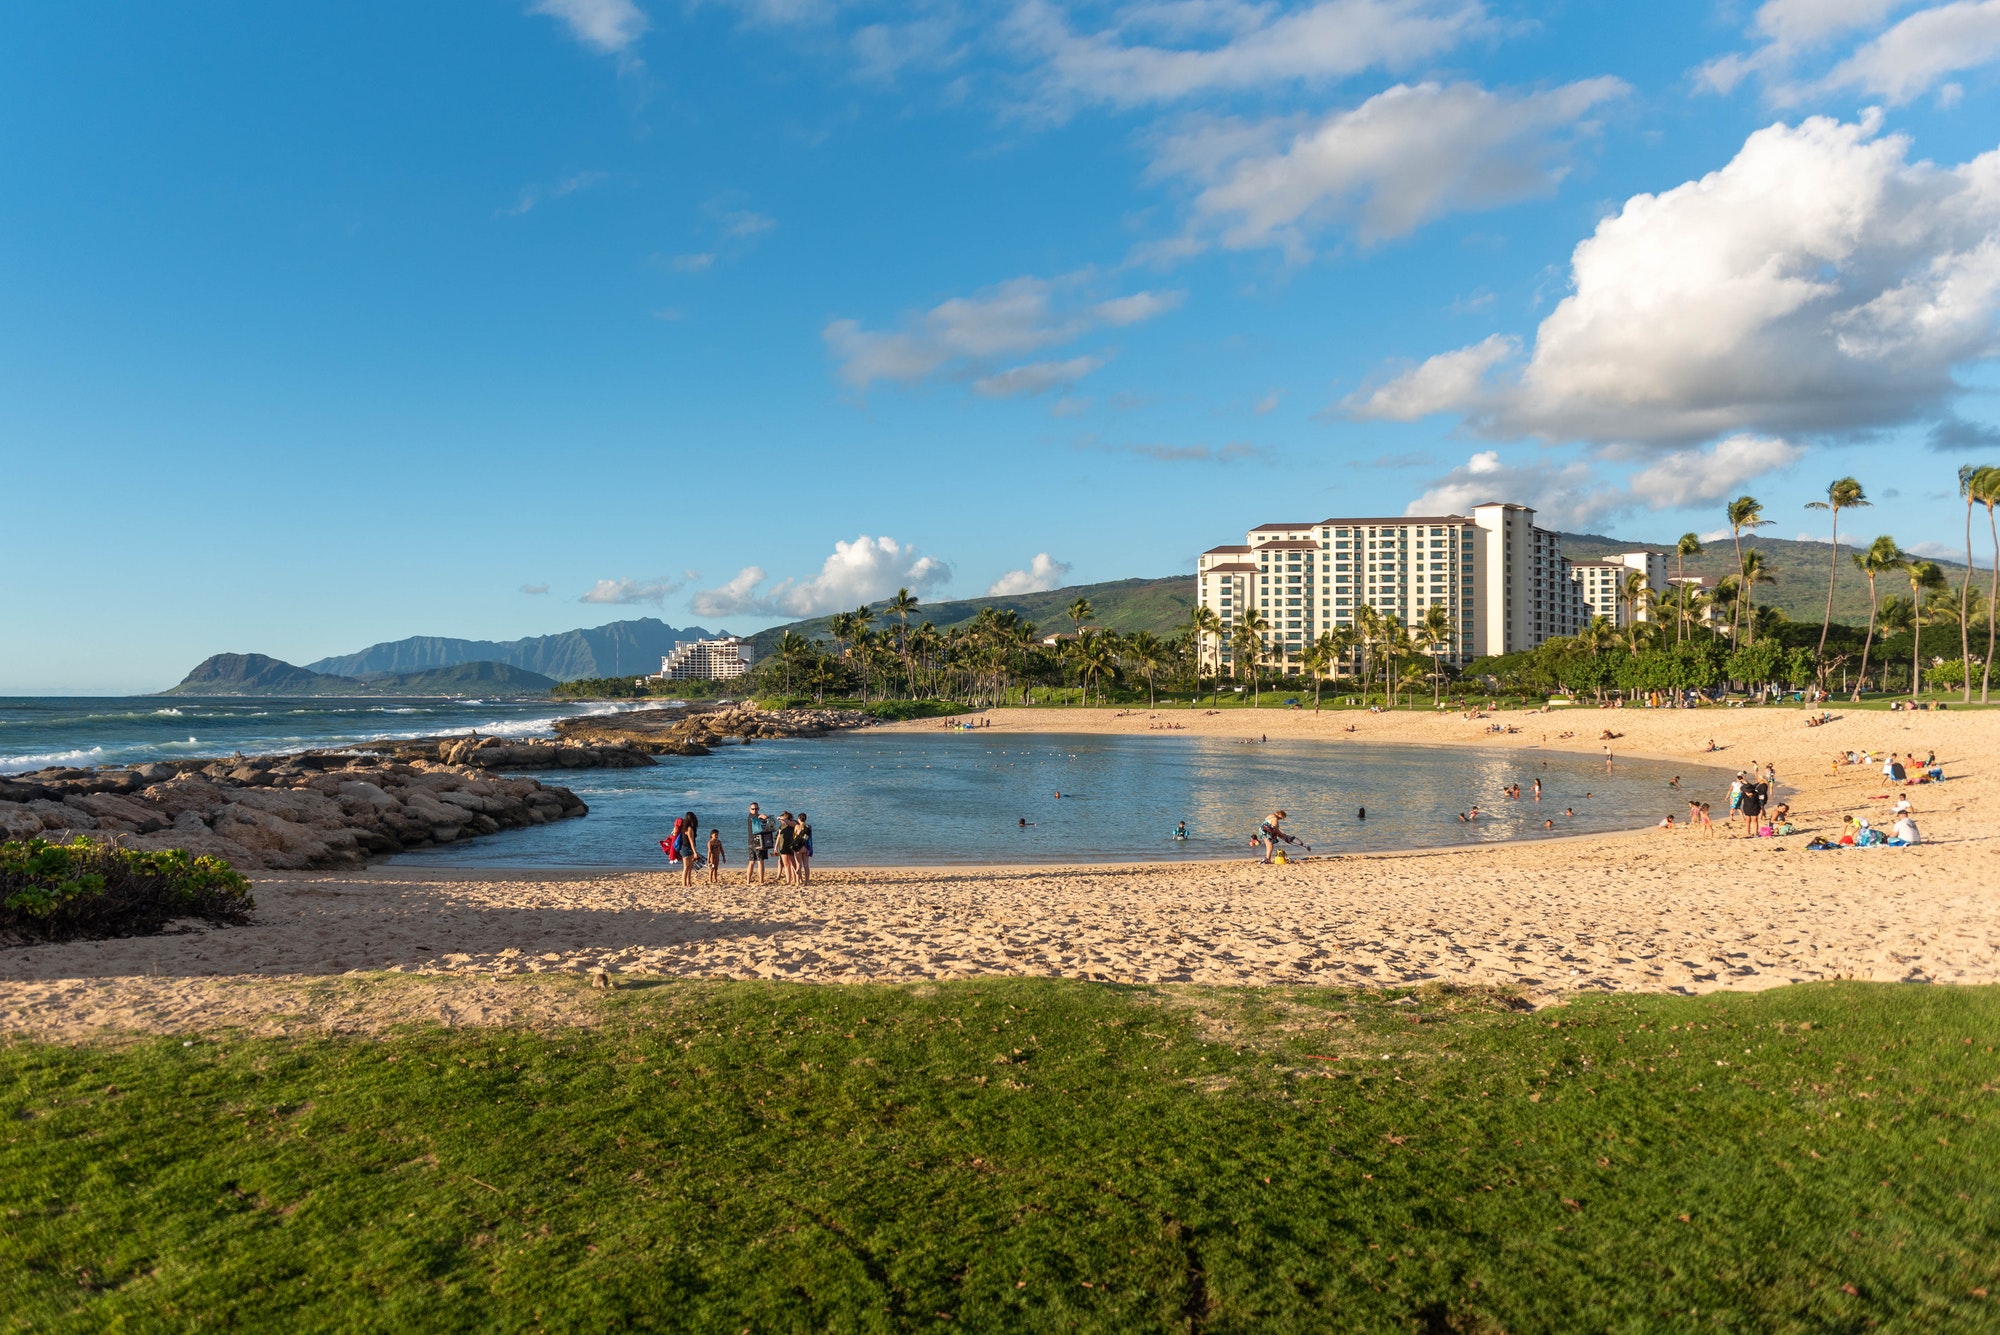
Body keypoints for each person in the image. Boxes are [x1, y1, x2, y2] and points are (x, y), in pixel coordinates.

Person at [746, 802, 770, 885]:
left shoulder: (754, 817)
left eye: (756, 809)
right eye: (753, 809)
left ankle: (754, 881)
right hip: (755, 843)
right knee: (756, 862)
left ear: (758, 809)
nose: (755, 810)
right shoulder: (751, 817)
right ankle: (756, 881)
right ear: (750, 810)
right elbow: (758, 817)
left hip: (756, 842)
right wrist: (761, 816)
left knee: (757, 862)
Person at [795, 812, 814, 885]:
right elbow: (808, 838)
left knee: (798, 865)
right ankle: (806, 881)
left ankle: (797, 881)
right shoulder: (809, 827)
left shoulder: (797, 826)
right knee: (806, 865)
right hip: (806, 847)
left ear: (799, 819)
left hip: (799, 848)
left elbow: (795, 836)